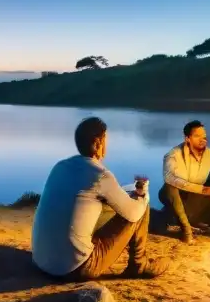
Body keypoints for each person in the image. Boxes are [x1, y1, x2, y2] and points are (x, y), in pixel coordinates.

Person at [31, 116, 171, 280]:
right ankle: (139, 264)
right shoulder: (100, 175)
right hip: (76, 268)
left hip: (41, 261)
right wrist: (143, 194)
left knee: (107, 207)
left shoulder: (60, 166)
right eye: (106, 140)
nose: (107, 145)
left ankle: (138, 263)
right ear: (98, 143)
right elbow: (133, 214)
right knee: (141, 206)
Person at [159, 120, 210, 243]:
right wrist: (203, 189)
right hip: (178, 201)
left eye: (204, 136)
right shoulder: (173, 155)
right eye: (197, 136)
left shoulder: (208, 154)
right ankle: (186, 230)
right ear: (187, 139)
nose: (202, 139)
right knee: (169, 187)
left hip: (197, 201)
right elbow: (169, 178)